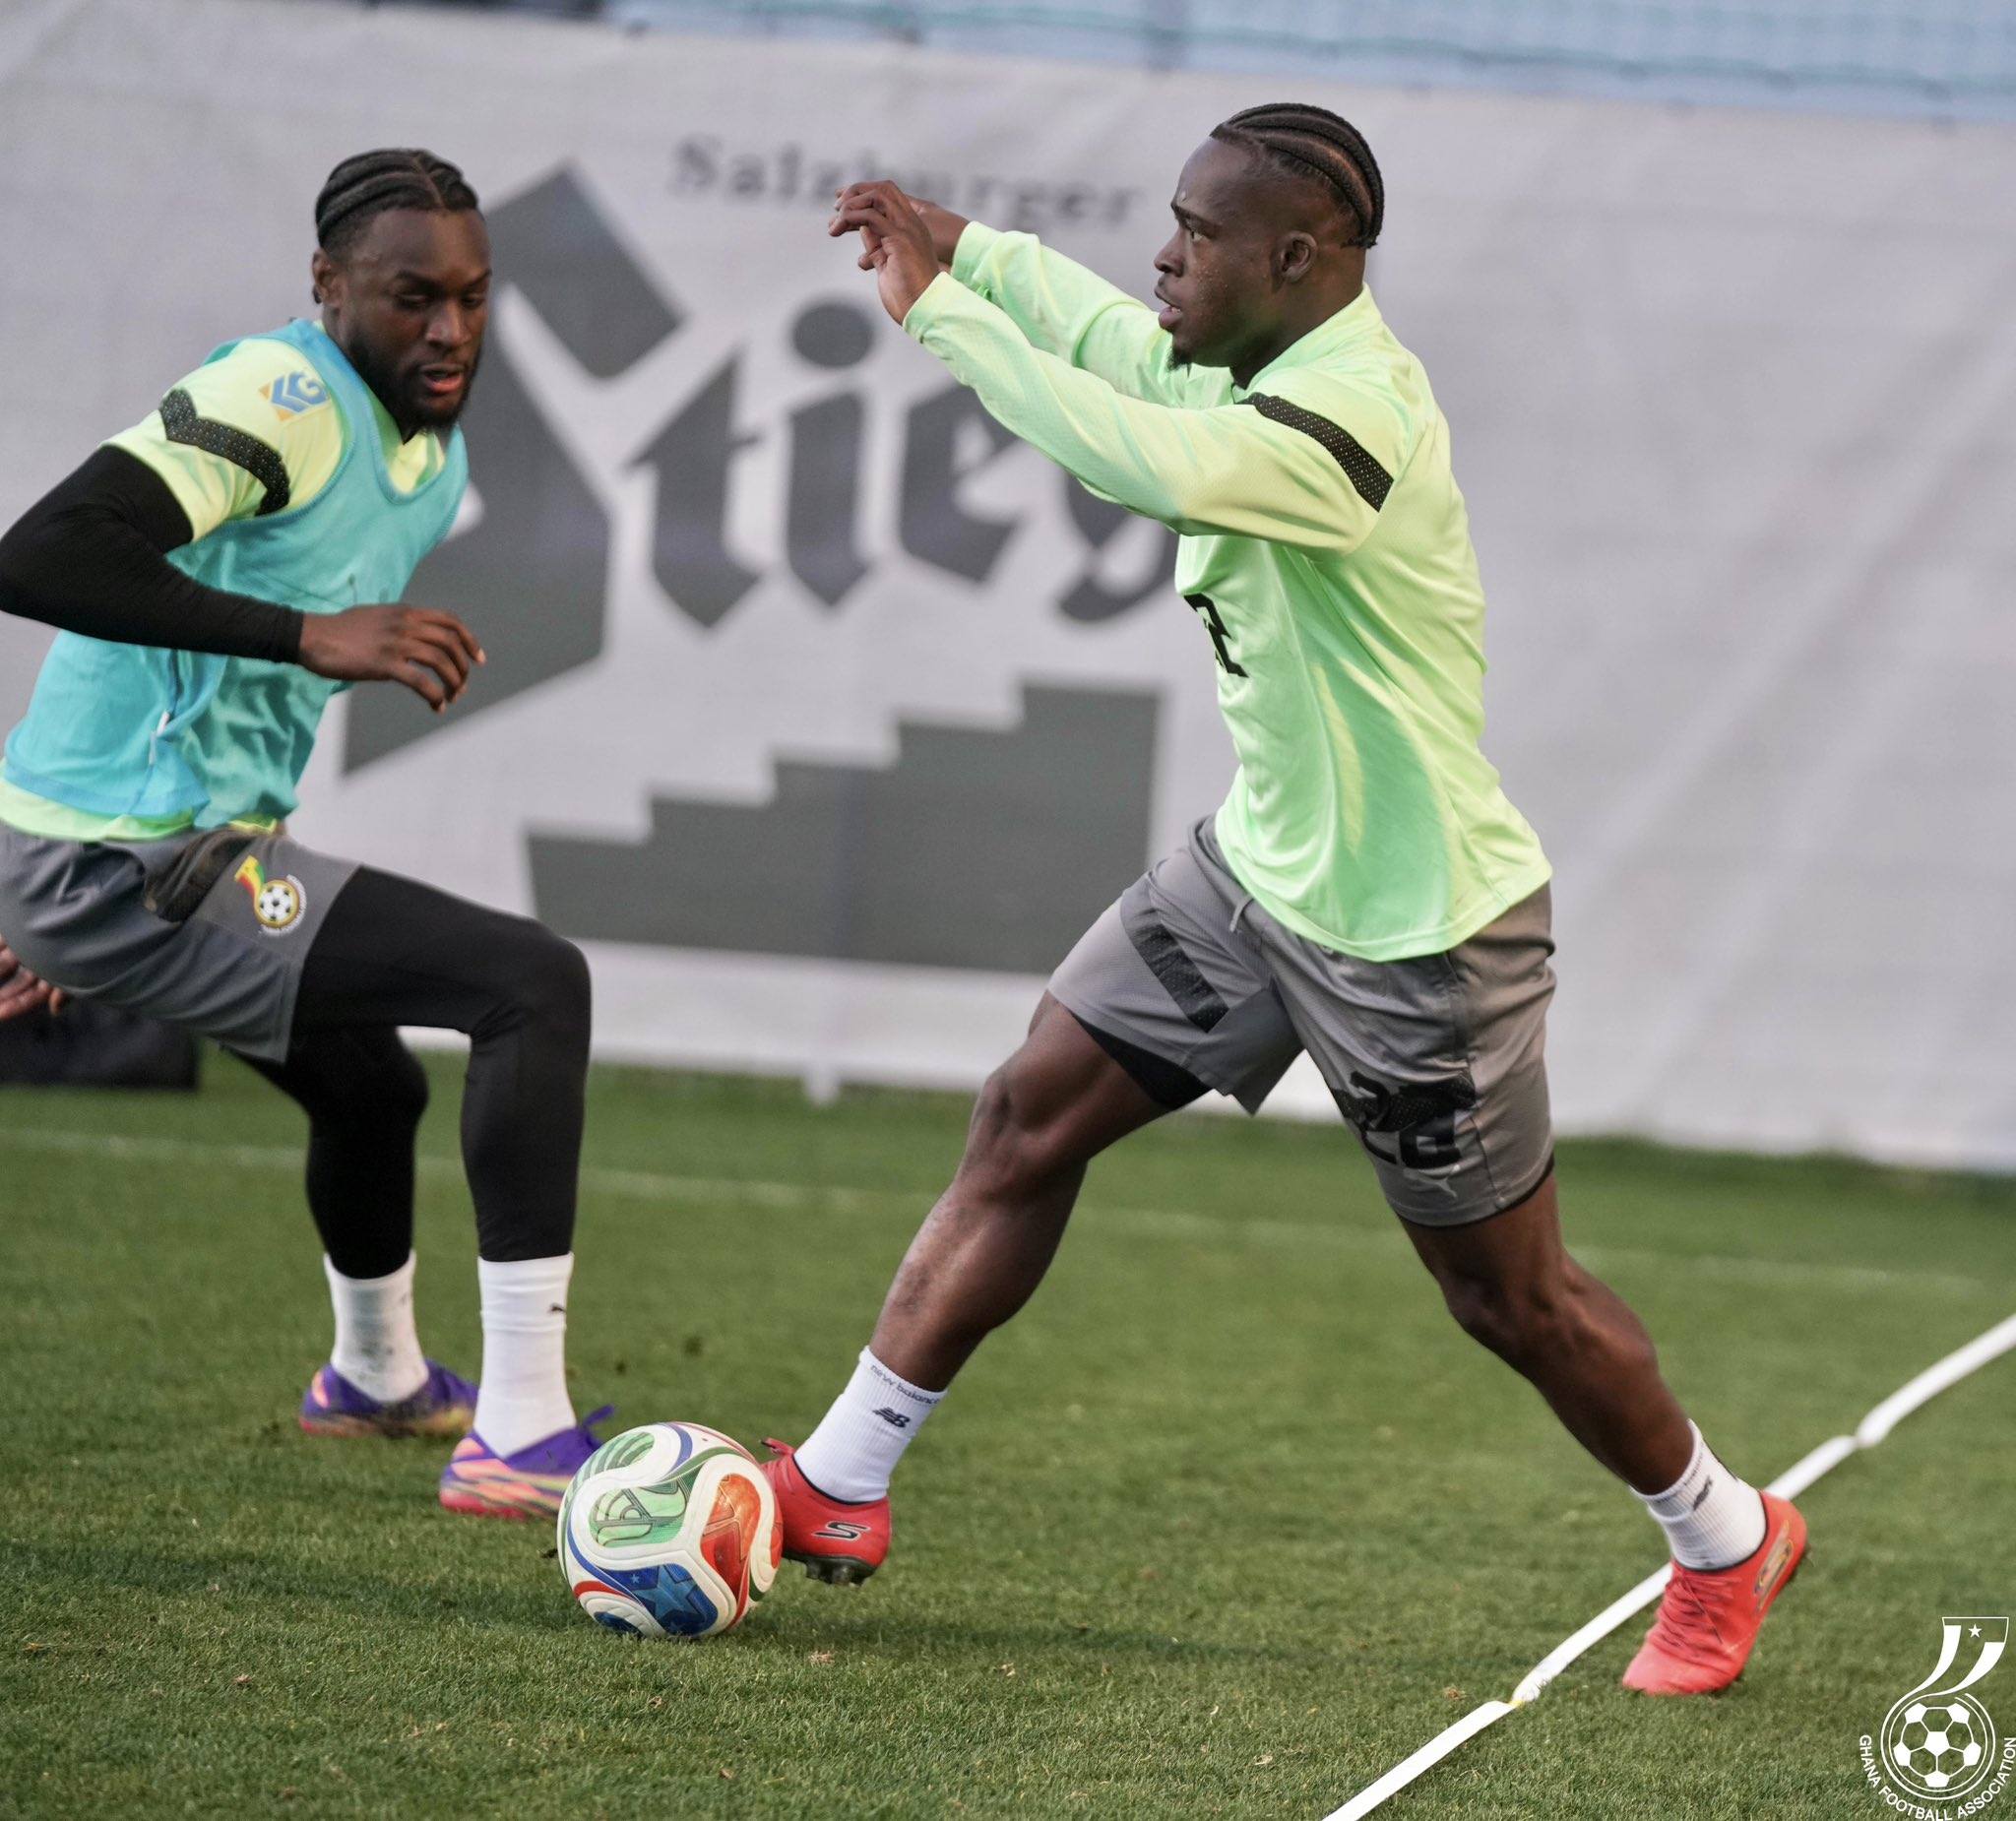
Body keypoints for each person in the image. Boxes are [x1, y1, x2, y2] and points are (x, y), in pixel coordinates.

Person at [764, 103, 1804, 1696]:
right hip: (1254, 879)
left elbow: (1142, 454)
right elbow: (1119, 339)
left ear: (1302, 260)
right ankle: (838, 1481)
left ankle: (1725, 1537)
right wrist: (968, 243)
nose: (1167, 257)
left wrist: (947, 318)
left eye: (1198, 232)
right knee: (1025, 1117)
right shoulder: (1250, 358)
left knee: (1509, 1301)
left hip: (1418, 943)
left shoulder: (1355, 418)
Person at [0, 150, 607, 1521]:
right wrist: (306, 636)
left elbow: (206, 709)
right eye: (410, 298)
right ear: (327, 287)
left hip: (140, 863)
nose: (450, 330)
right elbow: (40, 553)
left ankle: (377, 1376)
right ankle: (519, 1429)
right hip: (125, 865)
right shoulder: (279, 397)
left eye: (471, 296)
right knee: (531, 983)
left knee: (371, 1088)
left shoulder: (422, 446)